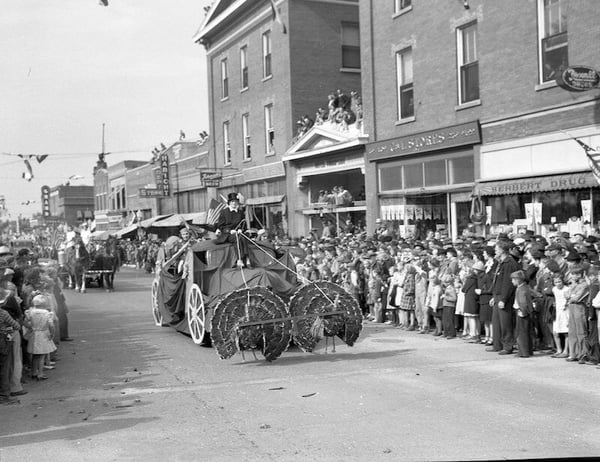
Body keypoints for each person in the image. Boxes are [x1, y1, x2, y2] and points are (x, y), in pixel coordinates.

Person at [489, 240, 519, 355]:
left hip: (504, 297)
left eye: (496, 249)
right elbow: (497, 281)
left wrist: (504, 299)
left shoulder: (509, 263)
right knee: (496, 322)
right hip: (497, 295)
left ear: (502, 250)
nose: (495, 251)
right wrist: (494, 296)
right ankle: (497, 344)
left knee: (505, 323)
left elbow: (508, 283)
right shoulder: (501, 262)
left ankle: (508, 346)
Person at [23, 294, 56, 381]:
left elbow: (25, 323)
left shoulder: (30, 312)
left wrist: (31, 327)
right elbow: (51, 325)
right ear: (45, 304)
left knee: (35, 355)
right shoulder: (47, 314)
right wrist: (52, 333)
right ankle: (40, 373)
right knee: (42, 355)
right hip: (43, 334)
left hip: (34, 334)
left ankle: (34, 372)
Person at [0, 289, 21, 405]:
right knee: (4, 368)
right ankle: (4, 396)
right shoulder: (3, 313)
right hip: (2, 341)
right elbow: (16, 326)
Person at [216, 193, 248, 267]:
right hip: (227, 235)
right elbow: (221, 226)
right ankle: (239, 259)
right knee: (238, 238)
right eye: (232, 201)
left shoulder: (240, 213)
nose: (234, 203)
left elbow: (244, 225)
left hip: (238, 233)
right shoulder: (224, 212)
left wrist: (241, 229)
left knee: (243, 237)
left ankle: (246, 257)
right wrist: (230, 231)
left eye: (235, 201)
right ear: (229, 203)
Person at [512, 270, 534, 358]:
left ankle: (524, 352)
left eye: (513, 280)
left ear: (518, 280)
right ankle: (529, 350)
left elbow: (523, 302)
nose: (512, 281)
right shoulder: (525, 287)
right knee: (527, 332)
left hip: (522, 312)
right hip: (526, 312)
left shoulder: (521, 289)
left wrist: (523, 311)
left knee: (522, 333)